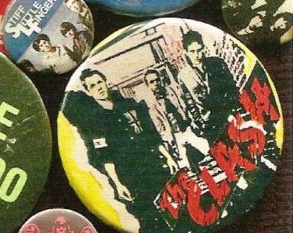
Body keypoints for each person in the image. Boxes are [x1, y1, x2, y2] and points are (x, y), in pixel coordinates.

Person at [63, 67, 163, 213]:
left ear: (105, 82)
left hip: (152, 165)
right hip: (129, 175)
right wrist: (118, 184)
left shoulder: (127, 104)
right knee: (149, 212)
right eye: (92, 86)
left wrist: (167, 157)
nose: (98, 87)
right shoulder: (94, 121)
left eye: (99, 82)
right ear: (88, 91)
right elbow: (105, 156)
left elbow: (150, 134)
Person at [141, 68, 209, 173]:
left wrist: (195, 122)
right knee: (185, 166)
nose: (156, 83)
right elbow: (160, 128)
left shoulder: (172, 92)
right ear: (148, 85)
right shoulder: (152, 106)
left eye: (157, 80)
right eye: (152, 82)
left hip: (187, 128)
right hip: (175, 136)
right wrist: (170, 141)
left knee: (206, 149)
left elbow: (187, 105)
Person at [177, 29, 241, 137]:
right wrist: (201, 123)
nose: (197, 55)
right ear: (186, 52)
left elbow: (231, 86)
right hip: (210, 123)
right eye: (192, 51)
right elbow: (190, 103)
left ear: (203, 47)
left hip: (229, 113)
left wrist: (232, 110)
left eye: (199, 50)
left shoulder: (217, 63)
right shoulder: (183, 76)